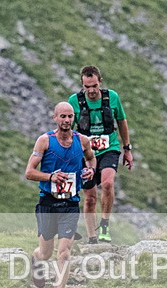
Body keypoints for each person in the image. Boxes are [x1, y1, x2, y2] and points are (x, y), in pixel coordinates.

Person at [24, 102, 96, 288]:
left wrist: (90, 171)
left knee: (64, 253)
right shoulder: (45, 141)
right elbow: (29, 172)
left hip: (70, 205)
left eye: (70, 116)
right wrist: (50, 177)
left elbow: (91, 158)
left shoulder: (82, 141)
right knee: (45, 253)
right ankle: (35, 261)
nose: (66, 120)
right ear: (55, 117)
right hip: (48, 202)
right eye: (62, 116)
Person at [68, 65, 133, 244]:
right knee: (89, 197)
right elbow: (68, 129)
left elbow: (121, 121)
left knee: (107, 183)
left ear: (100, 82)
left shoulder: (112, 97)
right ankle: (92, 237)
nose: (90, 91)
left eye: (94, 86)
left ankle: (104, 224)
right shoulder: (75, 101)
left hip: (108, 149)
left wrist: (127, 148)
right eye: (86, 87)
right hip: (86, 154)